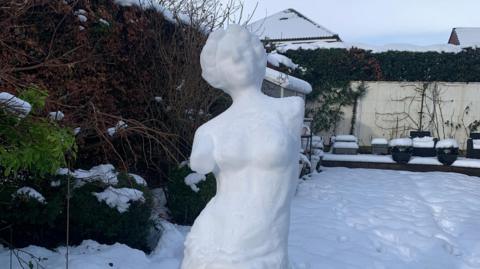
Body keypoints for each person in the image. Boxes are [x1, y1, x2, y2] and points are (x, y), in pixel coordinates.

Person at [181, 24, 304, 269]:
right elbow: (199, 165)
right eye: (228, 56)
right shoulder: (208, 131)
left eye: (244, 50)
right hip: (216, 236)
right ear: (217, 71)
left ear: (258, 58)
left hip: (266, 240)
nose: (238, 58)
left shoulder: (289, 109)